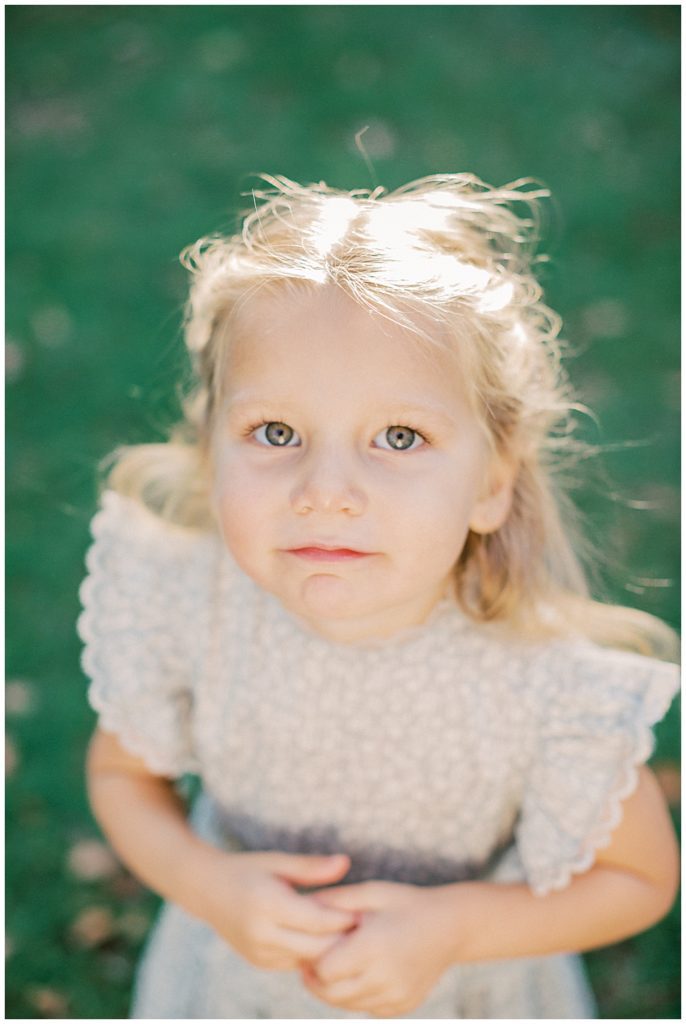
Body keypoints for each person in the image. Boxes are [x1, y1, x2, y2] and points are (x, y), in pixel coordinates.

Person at [78, 173, 679, 1019]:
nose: (327, 490)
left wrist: (456, 928)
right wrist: (209, 886)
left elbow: (638, 880)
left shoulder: (544, 680)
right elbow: (121, 776)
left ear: (491, 483)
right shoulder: (194, 601)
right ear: (213, 451)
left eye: (399, 437)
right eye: (276, 433)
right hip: (234, 987)